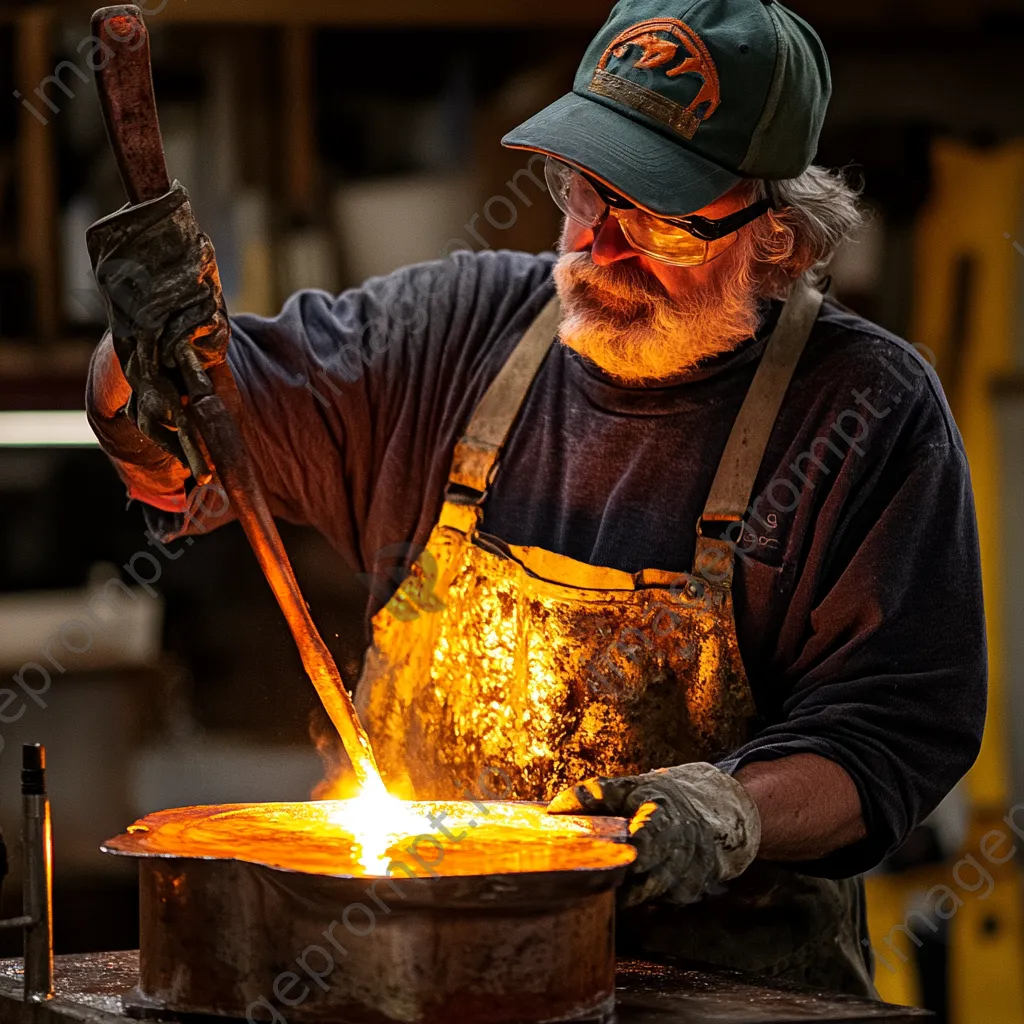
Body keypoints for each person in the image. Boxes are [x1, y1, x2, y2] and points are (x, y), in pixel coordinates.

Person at [85, 0, 986, 997]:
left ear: (778, 239)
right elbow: (187, 440)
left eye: (656, 218)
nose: (598, 247)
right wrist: (141, 350)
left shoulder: (866, 411)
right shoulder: (450, 328)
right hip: (413, 979)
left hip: (721, 987)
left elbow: (887, 738)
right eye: (581, 191)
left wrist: (719, 814)